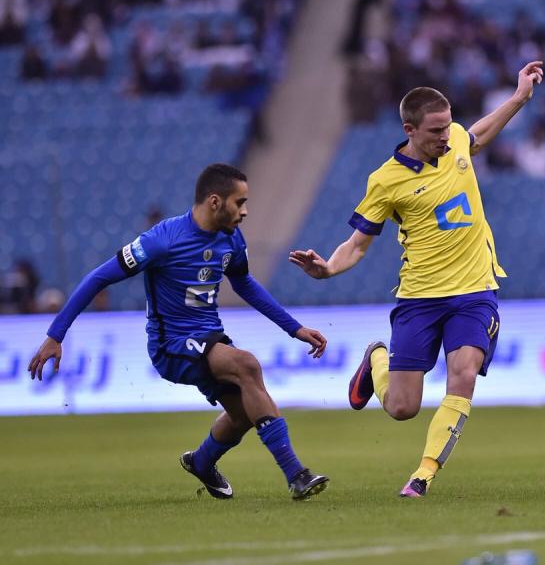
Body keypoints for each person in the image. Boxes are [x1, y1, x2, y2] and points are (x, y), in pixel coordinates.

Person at [290, 61, 544, 497]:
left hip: (474, 292)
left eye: (447, 128)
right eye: (435, 132)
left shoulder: (457, 141)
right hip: (420, 299)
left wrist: (519, 97)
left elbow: (476, 135)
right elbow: (357, 244)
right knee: (403, 408)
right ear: (409, 129)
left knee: (463, 374)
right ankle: (377, 358)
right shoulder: (385, 182)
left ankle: (422, 474)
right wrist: (327, 268)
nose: (446, 137)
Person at [29, 164, 330, 501]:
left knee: (245, 412)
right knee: (247, 366)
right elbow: (98, 278)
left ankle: (202, 461)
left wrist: (295, 328)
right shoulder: (162, 240)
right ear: (215, 201)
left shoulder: (231, 238)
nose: (245, 211)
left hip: (208, 338)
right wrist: (56, 335)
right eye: (240, 202)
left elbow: (244, 283)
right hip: (170, 345)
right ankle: (296, 475)